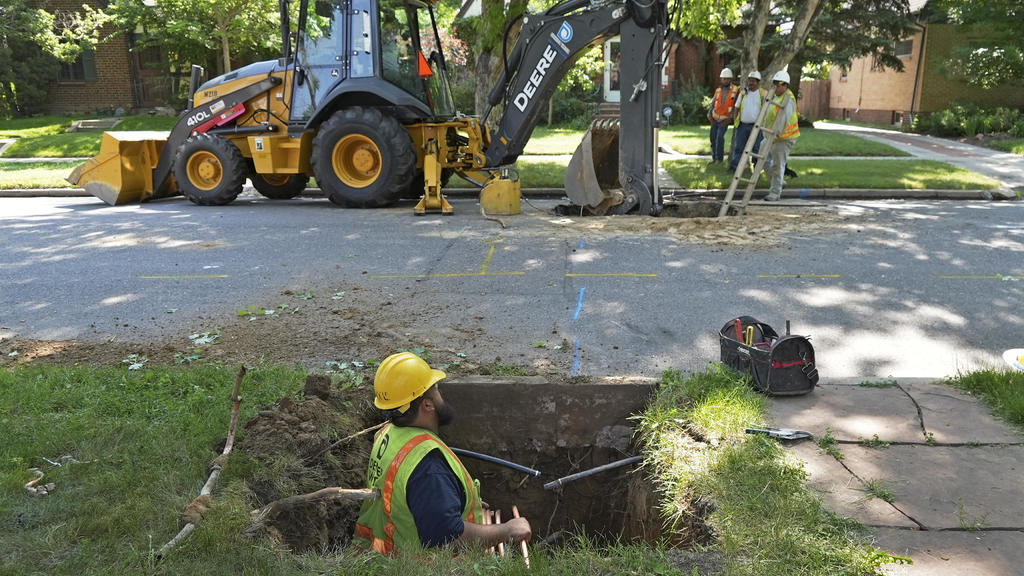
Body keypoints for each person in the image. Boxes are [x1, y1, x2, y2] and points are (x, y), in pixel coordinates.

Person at [353, 352, 532, 555]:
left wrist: (446, 500)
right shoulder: (428, 465)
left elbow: (403, 495)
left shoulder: (387, 434)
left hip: (380, 555)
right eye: (436, 389)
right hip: (418, 567)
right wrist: (507, 530)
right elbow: (448, 539)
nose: (440, 394)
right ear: (427, 405)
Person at [762, 70, 800, 201]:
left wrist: (775, 136)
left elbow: (784, 119)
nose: (776, 87)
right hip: (771, 136)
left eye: (778, 85)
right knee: (761, 160)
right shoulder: (776, 96)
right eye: (775, 84)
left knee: (778, 165)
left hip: (784, 138)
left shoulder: (788, 99)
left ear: (785, 85)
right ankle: (780, 182)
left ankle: (775, 192)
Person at [729, 71, 768, 172]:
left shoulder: (762, 93)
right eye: (749, 81)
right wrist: (735, 119)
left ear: (758, 82)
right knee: (739, 148)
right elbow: (737, 107)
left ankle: (756, 169)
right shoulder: (743, 93)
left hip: (756, 126)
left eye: (753, 81)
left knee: (756, 149)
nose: (750, 83)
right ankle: (734, 167)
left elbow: (767, 109)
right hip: (742, 125)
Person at [707, 68, 739, 166]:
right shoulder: (718, 91)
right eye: (723, 79)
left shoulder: (735, 90)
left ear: (730, 79)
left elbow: (736, 106)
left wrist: (730, 118)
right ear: (721, 79)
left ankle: (719, 160)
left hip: (725, 120)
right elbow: (713, 103)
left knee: (719, 138)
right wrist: (709, 115)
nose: (725, 80)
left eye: (727, 79)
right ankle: (714, 158)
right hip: (715, 118)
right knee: (713, 138)